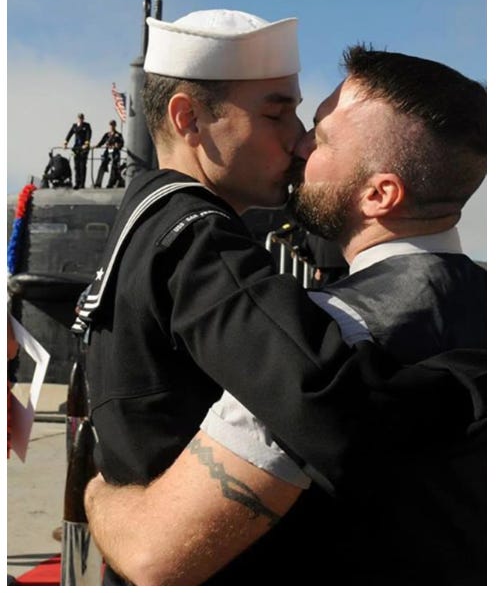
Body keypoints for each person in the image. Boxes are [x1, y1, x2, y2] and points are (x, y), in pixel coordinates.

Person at [85, 46, 486, 585]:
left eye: (321, 138)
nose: (298, 145)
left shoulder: (320, 335)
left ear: (379, 194)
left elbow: (155, 557)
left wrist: (99, 493)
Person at [74, 12, 381, 585]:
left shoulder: (144, 220)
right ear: (188, 118)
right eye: (276, 113)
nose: (299, 138)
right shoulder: (198, 239)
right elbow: (324, 399)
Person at [63, 113, 92, 189]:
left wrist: (86, 143)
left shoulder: (87, 126)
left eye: (81, 118)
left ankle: (82, 183)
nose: (80, 119)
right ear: (77, 119)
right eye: (79, 118)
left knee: (82, 165)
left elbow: (88, 135)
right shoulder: (74, 126)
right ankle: (77, 183)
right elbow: (69, 134)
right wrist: (65, 143)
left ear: (83, 119)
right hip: (76, 148)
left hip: (84, 148)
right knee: (76, 166)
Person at [93, 120, 125, 188]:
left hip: (115, 152)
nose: (111, 126)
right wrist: (96, 146)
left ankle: (110, 183)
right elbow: (102, 142)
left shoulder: (118, 135)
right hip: (108, 151)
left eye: (113, 125)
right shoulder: (107, 135)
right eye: (111, 125)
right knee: (102, 166)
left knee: (114, 167)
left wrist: (118, 145)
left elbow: (122, 143)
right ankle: (98, 183)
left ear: (115, 126)